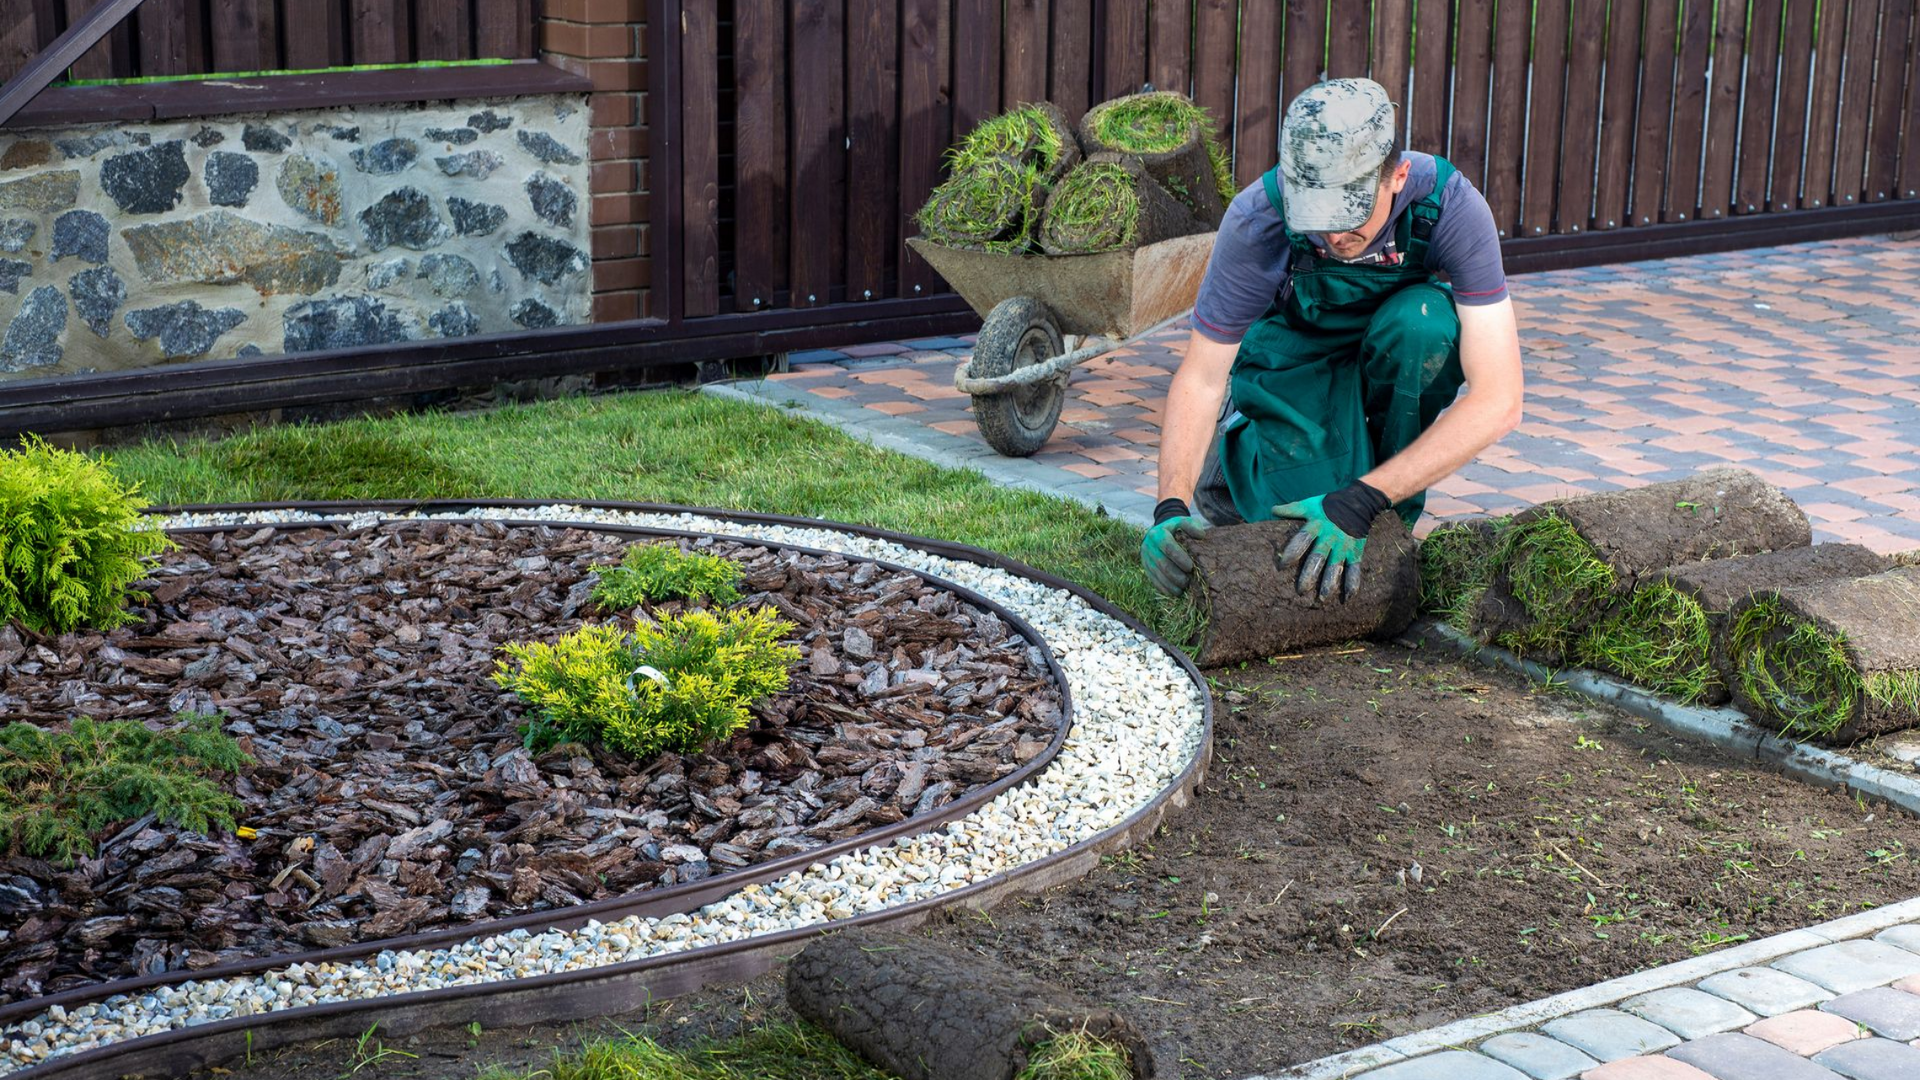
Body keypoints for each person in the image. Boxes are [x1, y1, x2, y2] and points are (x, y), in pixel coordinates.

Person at [1141, 77, 1523, 603]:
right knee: (1300, 531)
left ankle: (1382, 505)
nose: (1333, 238)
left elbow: (1499, 399)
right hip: (1297, 356)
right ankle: (1227, 476)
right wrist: (1170, 506)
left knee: (1425, 325)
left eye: (1349, 217)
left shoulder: (1451, 207)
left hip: (1391, 351)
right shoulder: (1259, 218)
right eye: (1317, 220)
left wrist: (1363, 500)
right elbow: (1203, 376)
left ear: (1398, 177)